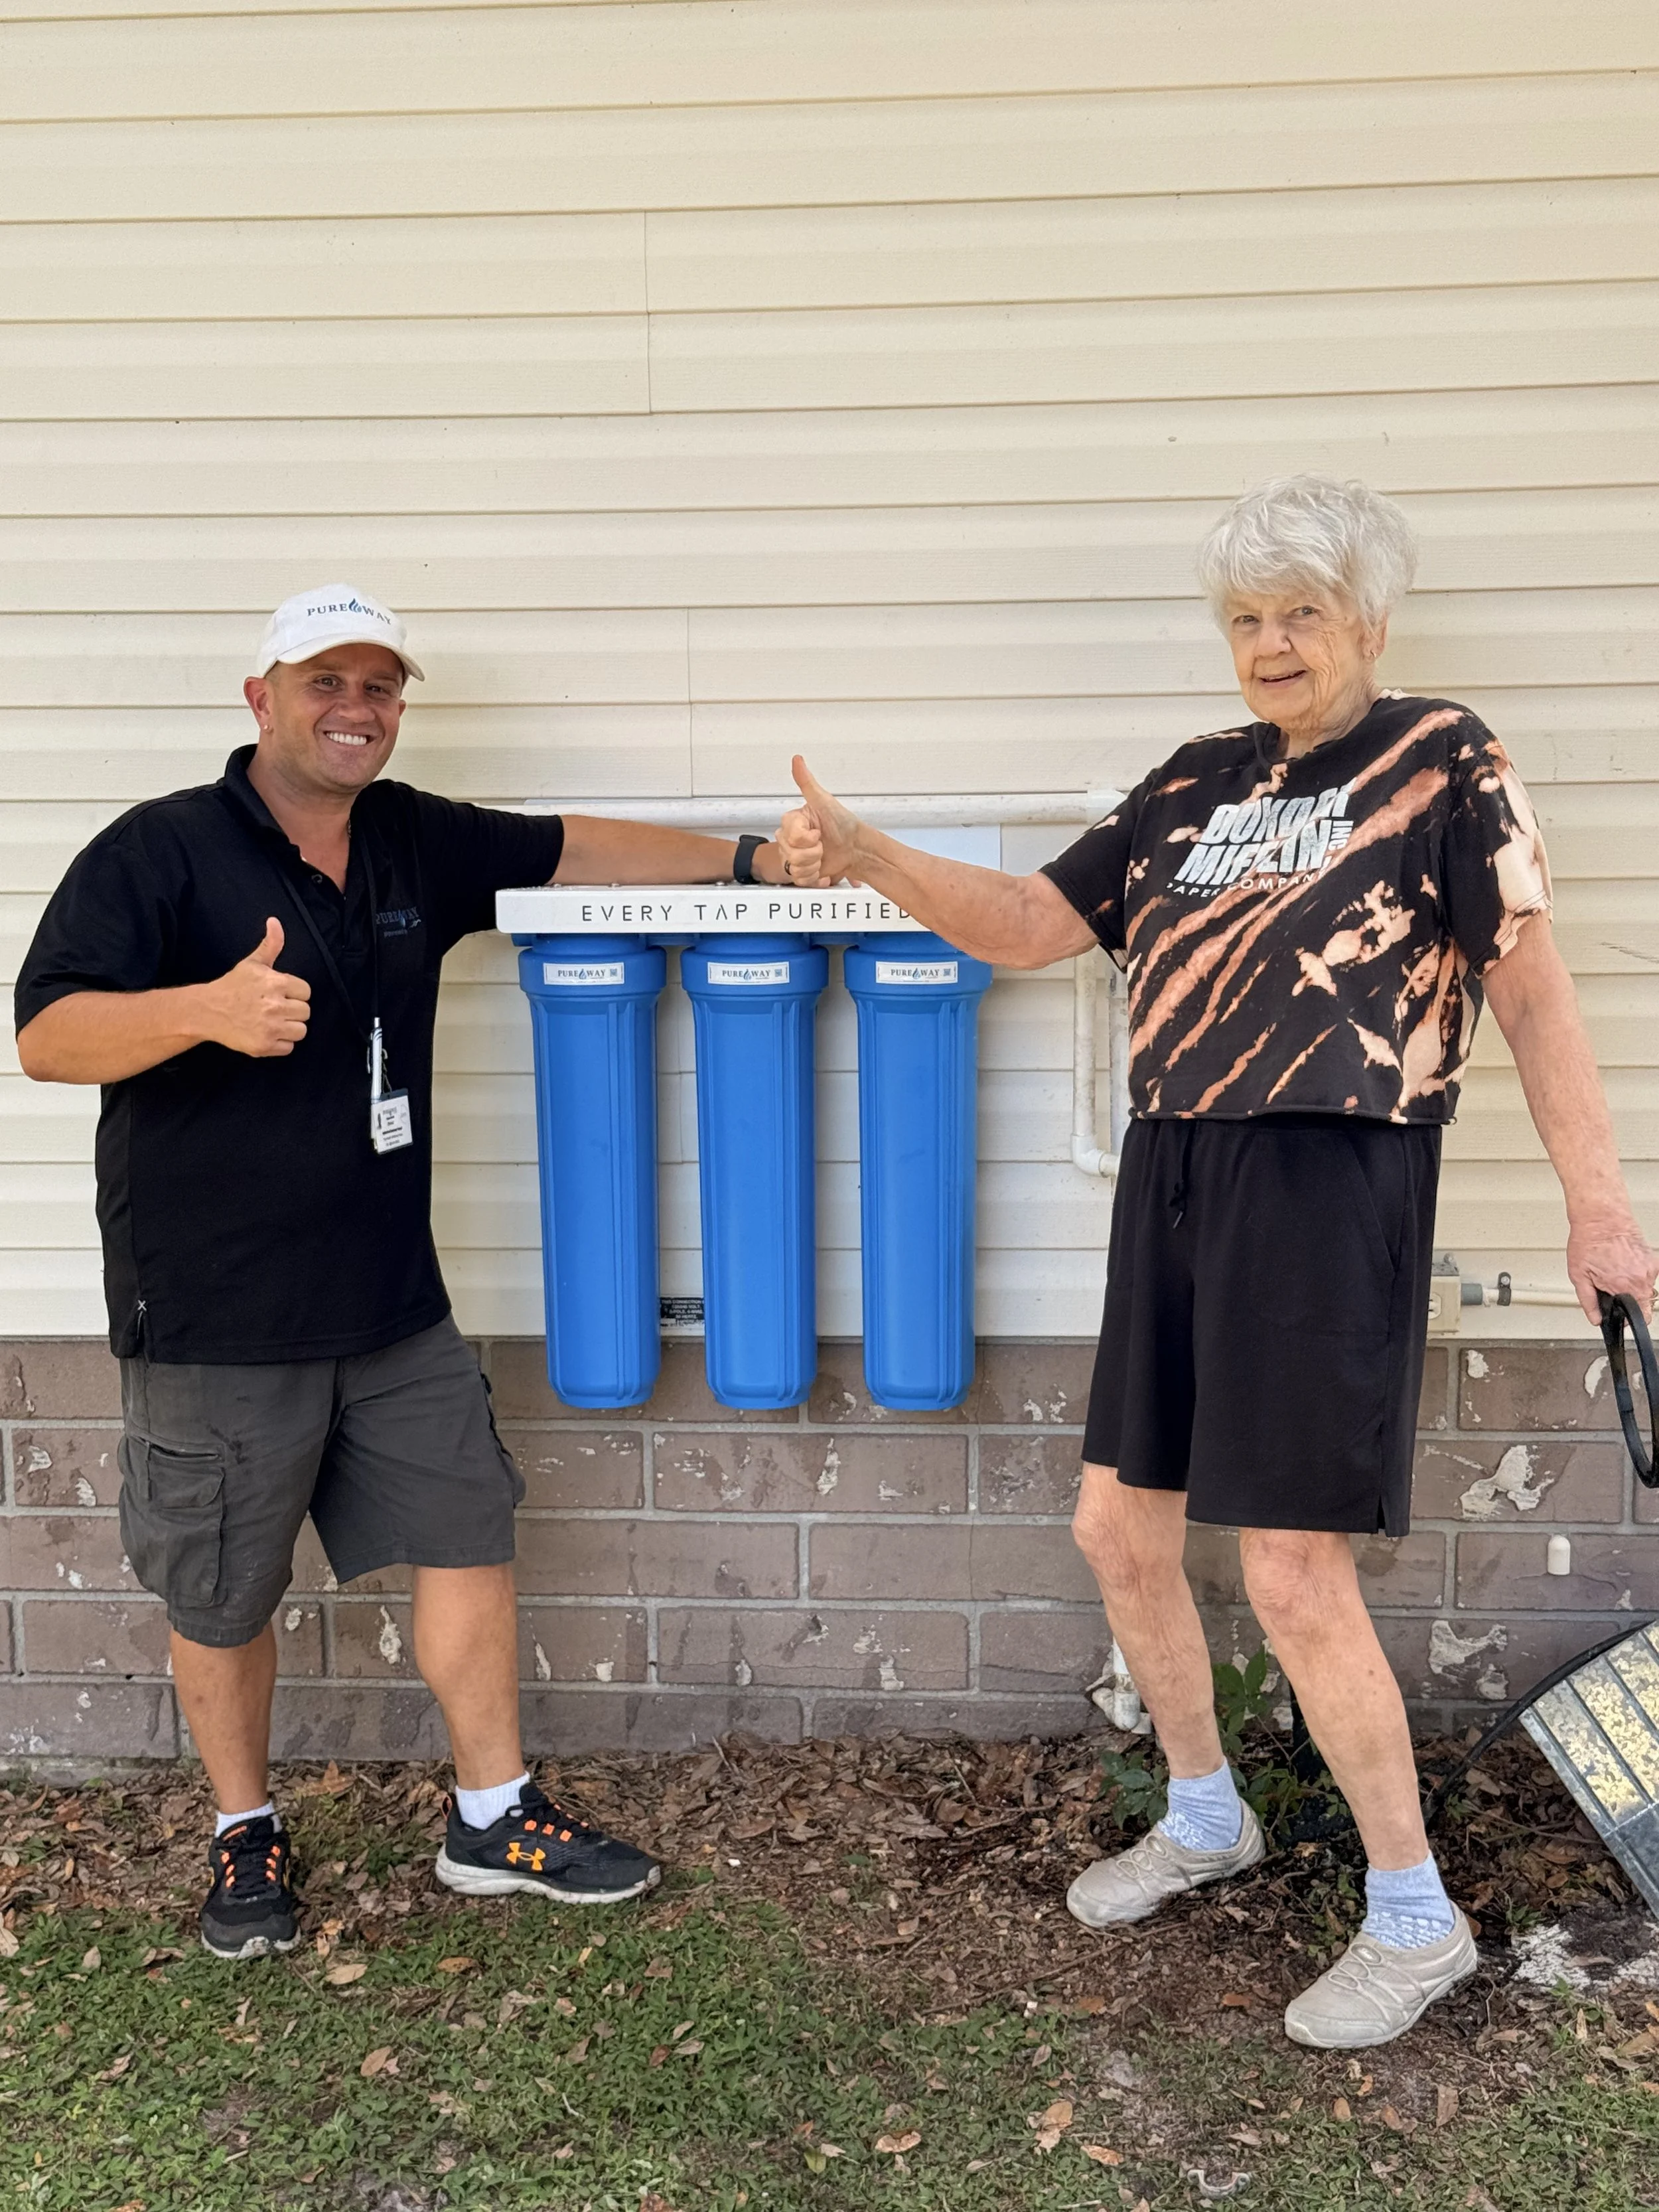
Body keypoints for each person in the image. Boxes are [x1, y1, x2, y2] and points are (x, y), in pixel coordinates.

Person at [773, 475, 1658, 2049]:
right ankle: (1205, 1812)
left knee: (1289, 1564)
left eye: (1299, 612)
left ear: (1366, 622)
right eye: (1244, 618)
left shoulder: (1441, 756)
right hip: (1173, 1163)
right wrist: (865, 851)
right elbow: (1032, 925)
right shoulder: (1187, 783)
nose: (1268, 642)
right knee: (1116, 1525)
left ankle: (1414, 1916)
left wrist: (1600, 1208)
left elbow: (1530, 995)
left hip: (1332, 1170)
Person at [15, 585, 794, 1961]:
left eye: (379, 686)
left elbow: (571, 849)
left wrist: (745, 860)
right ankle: (242, 1828)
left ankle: (492, 1814)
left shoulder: (411, 839)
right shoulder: (160, 851)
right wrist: (203, 1009)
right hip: (211, 1310)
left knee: (465, 1530)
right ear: (261, 700)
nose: (356, 709)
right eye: (327, 682)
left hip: (391, 1300)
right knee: (220, 1588)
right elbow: (49, 1033)